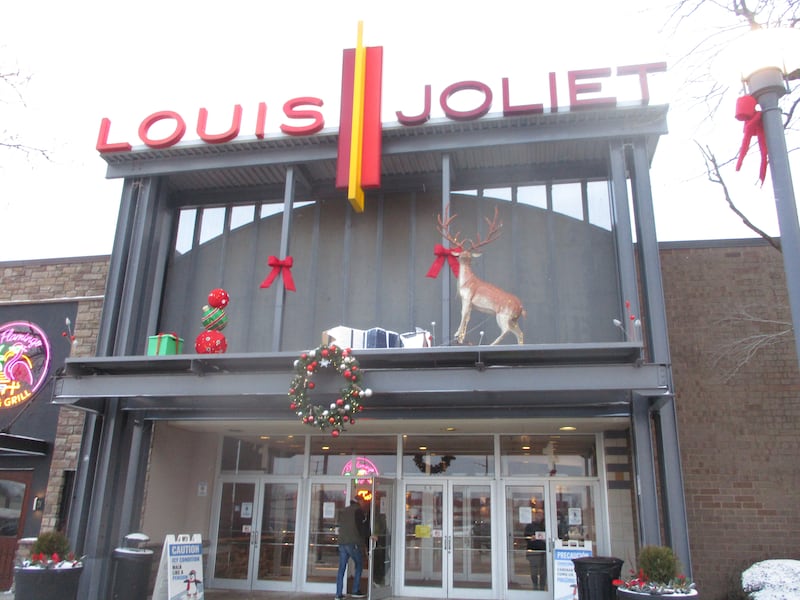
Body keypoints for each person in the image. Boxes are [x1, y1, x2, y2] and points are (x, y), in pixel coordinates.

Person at [336, 498, 370, 600]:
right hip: (353, 543)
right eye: (362, 501)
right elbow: (361, 528)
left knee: (341, 569)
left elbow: (338, 526)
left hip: (342, 543)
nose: (363, 503)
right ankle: (355, 590)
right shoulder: (358, 511)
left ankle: (338, 594)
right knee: (359, 565)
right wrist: (369, 536)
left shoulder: (343, 511)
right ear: (359, 502)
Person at [525, 517, 547, 590]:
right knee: (534, 570)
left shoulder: (546, 524)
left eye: (540, 514)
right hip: (533, 551)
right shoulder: (530, 526)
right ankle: (535, 585)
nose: (539, 516)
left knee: (543, 571)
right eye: (537, 514)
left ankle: (542, 587)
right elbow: (526, 536)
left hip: (544, 551)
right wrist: (531, 537)